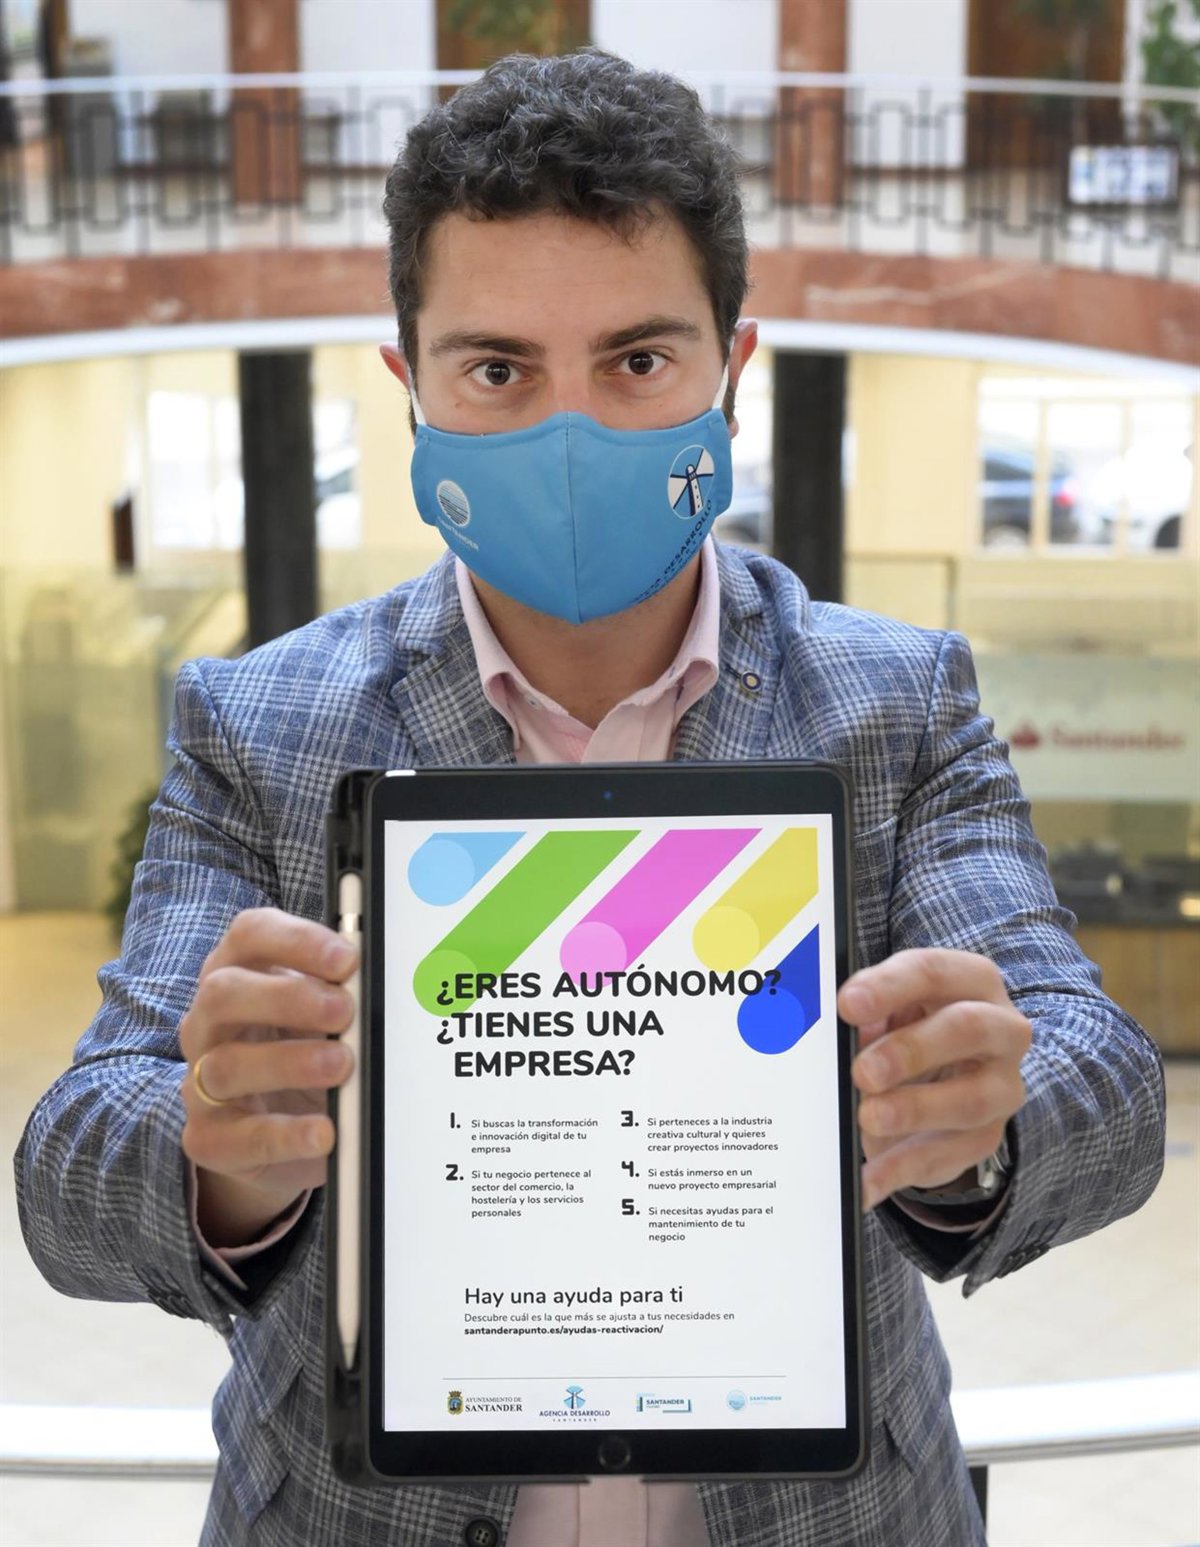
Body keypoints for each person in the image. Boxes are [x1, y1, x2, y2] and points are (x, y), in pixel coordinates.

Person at [16, 49, 1164, 1547]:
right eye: (497, 370)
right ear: (409, 387)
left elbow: (1106, 1084)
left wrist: (981, 1121)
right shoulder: (262, 723)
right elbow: (70, 1176)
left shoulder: (899, 701)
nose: (573, 434)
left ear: (733, 371)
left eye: (637, 362)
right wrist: (213, 1144)